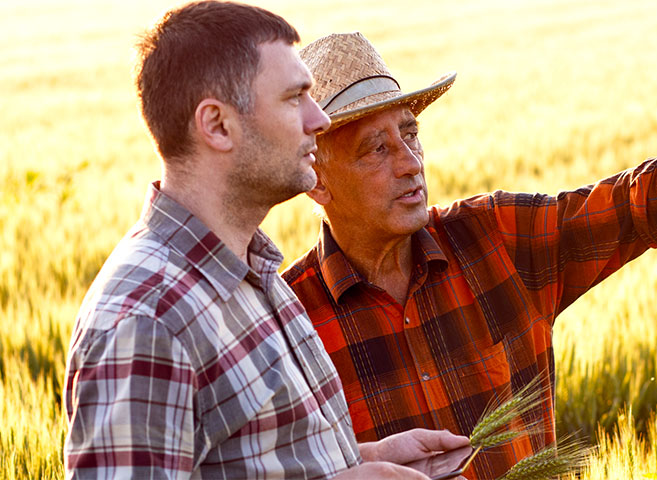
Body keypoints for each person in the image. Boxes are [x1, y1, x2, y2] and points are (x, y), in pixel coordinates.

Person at [281, 32, 657, 478]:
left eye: (410, 134)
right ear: (317, 179)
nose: (409, 162)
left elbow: (635, 205)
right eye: (375, 149)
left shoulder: (494, 239)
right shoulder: (284, 323)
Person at [62, 5, 466, 479]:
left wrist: (362, 461)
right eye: (295, 98)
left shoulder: (255, 273)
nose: (318, 120)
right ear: (216, 125)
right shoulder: (147, 320)